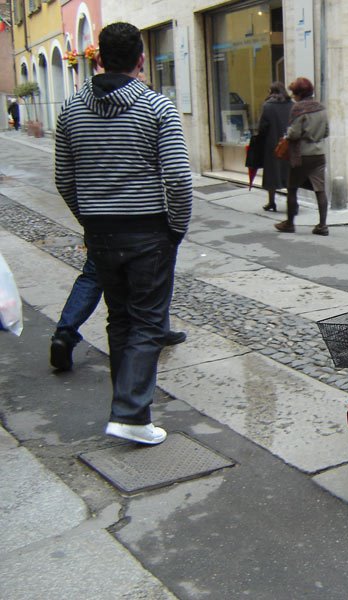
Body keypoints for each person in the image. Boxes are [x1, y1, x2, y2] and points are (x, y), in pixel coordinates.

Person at [54, 22, 193, 445]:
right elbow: (179, 180)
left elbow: (64, 179)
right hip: (148, 230)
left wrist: (89, 219)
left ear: (97, 59)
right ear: (141, 58)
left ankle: (128, 408)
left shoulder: (71, 110)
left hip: (101, 232)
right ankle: (131, 413)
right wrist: (176, 228)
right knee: (149, 322)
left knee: (120, 319)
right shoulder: (157, 108)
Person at [49, 256, 187, 372]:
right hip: (145, 230)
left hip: (103, 230)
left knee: (93, 274)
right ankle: (158, 329)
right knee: (154, 274)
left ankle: (65, 332)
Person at [274, 77, 330, 236]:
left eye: (294, 93)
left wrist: (288, 134)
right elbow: (326, 131)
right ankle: (322, 225)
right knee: (320, 190)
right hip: (319, 153)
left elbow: (294, 133)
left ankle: (290, 223)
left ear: (299, 94)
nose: (293, 97)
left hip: (302, 154)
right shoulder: (321, 108)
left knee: (292, 188)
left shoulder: (298, 109)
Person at [256, 81, 292, 212]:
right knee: (289, 174)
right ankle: (292, 202)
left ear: (271, 92)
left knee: (272, 174)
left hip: (272, 145)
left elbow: (262, 128)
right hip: (288, 144)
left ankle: (271, 202)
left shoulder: (267, 106)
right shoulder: (291, 105)